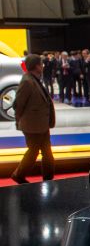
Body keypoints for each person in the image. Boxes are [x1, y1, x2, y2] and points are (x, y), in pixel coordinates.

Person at [10, 55, 56, 184]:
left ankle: (47, 179)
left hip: (40, 124)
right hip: (33, 126)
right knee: (36, 152)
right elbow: (18, 104)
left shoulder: (33, 80)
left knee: (44, 153)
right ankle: (19, 175)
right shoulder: (27, 82)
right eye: (41, 64)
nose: (43, 66)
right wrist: (20, 121)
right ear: (36, 66)